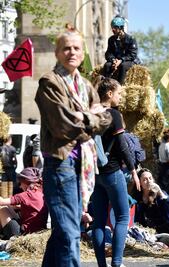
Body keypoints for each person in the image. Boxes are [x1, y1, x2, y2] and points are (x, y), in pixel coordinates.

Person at [34, 28, 112, 267]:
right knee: (70, 234)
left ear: (82, 52)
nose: (72, 52)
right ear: (57, 53)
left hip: (82, 166)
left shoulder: (86, 85)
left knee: (62, 233)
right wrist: (92, 116)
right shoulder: (49, 83)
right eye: (66, 48)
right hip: (61, 164)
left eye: (77, 48)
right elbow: (61, 126)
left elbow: (107, 118)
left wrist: (83, 115)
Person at [91, 76, 140, 267]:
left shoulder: (91, 113)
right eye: (118, 93)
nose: (120, 97)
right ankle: (117, 263)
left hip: (95, 174)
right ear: (109, 93)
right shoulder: (114, 114)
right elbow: (122, 145)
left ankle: (101, 264)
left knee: (99, 221)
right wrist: (134, 169)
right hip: (112, 172)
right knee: (122, 217)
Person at [0, 167, 48, 240]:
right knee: (9, 207)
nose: (19, 186)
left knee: (2, 208)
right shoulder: (41, 192)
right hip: (38, 232)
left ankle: (4, 235)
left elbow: (1, 202)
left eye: (20, 183)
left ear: (25, 183)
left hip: (23, 235)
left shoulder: (25, 195)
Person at [135, 168, 169, 235]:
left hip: (164, 231)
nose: (149, 181)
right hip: (145, 233)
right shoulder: (137, 199)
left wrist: (161, 194)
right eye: (145, 179)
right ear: (140, 183)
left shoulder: (161, 195)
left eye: (150, 178)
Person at [104, 15, 140, 85]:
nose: (113, 30)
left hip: (129, 61)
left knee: (123, 66)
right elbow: (108, 53)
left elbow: (132, 55)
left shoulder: (131, 39)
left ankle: (119, 86)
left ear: (121, 28)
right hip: (116, 60)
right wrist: (113, 60)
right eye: (112, 28)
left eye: (115, 28)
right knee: (107, 65)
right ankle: (107, 85)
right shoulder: (111, 39)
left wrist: (121, 60)